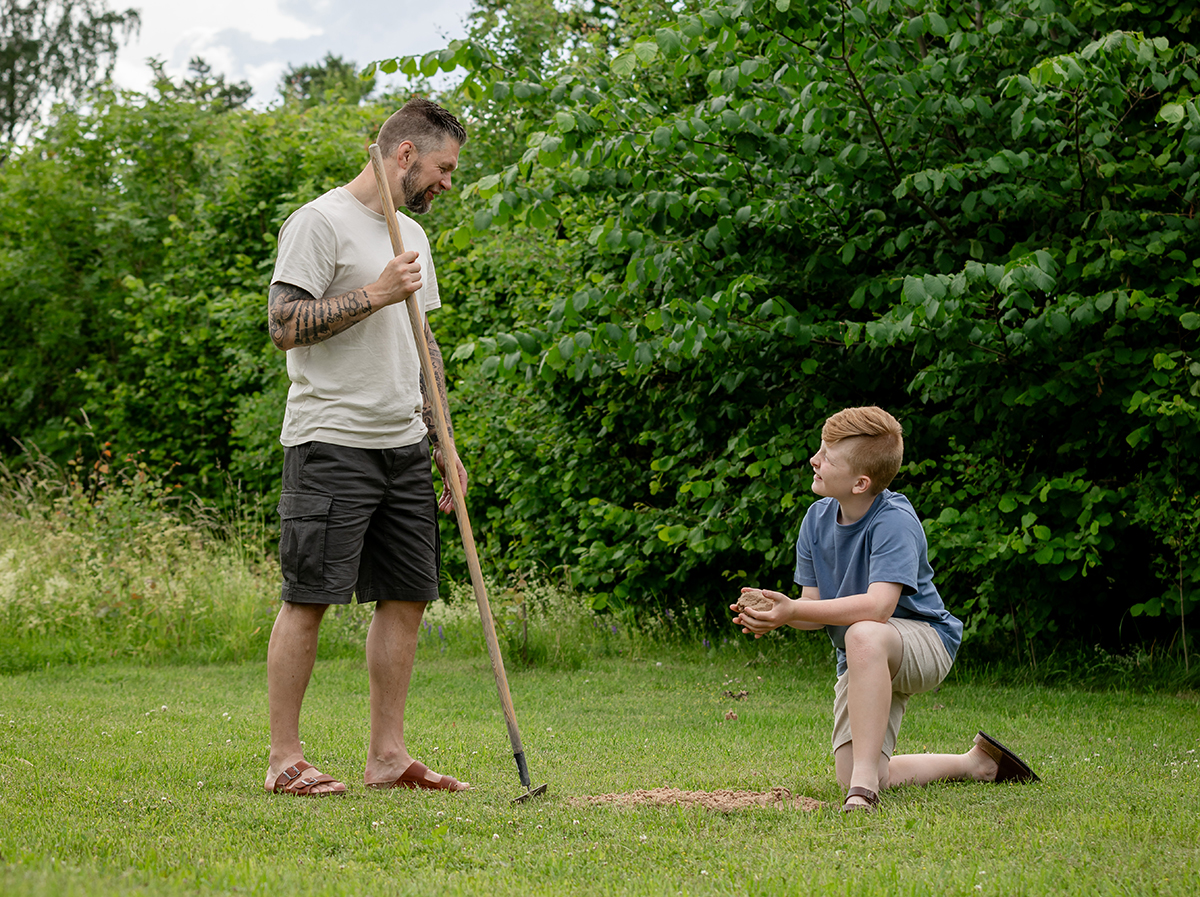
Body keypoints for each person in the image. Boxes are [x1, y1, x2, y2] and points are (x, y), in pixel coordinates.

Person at [262, 98, 470, 796]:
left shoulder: (411, 232)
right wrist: (375, 293)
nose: (448, 182)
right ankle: (284, 758)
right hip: (330, 441)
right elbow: (284, 323)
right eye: (442, 167)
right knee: (309, 596)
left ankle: (387, 756)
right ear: (404, 154)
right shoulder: (318, 223)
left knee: (408, 596)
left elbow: (423, 341)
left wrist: (443, 439)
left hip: (403, 443)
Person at [732, 406, 1038, 812]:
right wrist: (782, 614)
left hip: (925, 641)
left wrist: (794, 612)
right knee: (860, 767)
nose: (814, 460)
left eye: (827, 457)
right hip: (864, 655)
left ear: (860, 482)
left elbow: (879, 607)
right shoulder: (816, 518)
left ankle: (862, 794)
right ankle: (975, 763)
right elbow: (812, 608)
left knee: (863, 632)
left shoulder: (894, 520)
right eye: (820, 449)